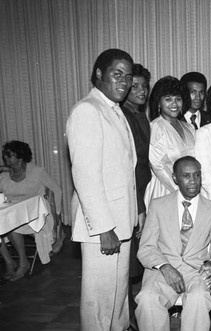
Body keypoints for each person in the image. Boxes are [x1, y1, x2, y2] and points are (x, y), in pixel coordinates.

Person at [66, 48, 137, 330]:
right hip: (103, 228)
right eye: (116, 74)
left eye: (128, 76)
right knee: (100, 301)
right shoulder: (87, 110)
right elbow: (85, 175)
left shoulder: (114, 110)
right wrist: (104, 227)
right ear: (98, 74)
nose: (124, 82)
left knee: (118, 299)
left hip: (121, 221)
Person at [135, 156, 211, 331]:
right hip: (163, 271)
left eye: (197, 175)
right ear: (175, 178)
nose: (193, 182)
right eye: (187, 176)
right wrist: (165, 267)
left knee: (198, 298)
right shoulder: (158, 205)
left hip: (197, 272)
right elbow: (146, 247)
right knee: (147, 299)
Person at [0, 140, 62, 281]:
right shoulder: (3, 177)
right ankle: (9, 262)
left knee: (11, 226)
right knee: (6, 222)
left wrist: (57, 215)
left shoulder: (37, 172)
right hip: (14, 213)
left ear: (20, 157)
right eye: (5, 156)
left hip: (37, 214)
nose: (6, 158)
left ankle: (23, 263)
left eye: (10, 155)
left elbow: (57, 190)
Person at [120, 63, 152, 329]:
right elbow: (127, 166)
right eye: (136, 86)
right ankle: (128, 316)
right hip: (134, 194)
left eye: (144, 86)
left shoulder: (140, 115)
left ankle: (137, 311)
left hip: (146, 190)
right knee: (129, 261)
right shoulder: (123, 116)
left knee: (140, 257)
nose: (141, 91)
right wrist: (139, 205)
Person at [143, 76, 196, 207]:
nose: (174, 104)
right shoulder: (156, 127)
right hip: (165, 190)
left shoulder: (188, 127)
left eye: (178, 99)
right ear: (159, 103)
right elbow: (157, 166)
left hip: (190, 189)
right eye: (168, 99)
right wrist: (180, 192)